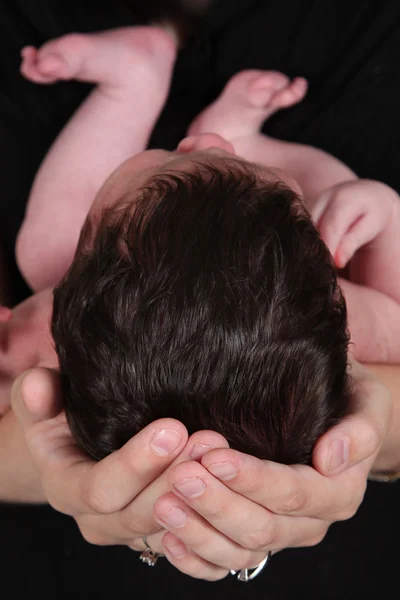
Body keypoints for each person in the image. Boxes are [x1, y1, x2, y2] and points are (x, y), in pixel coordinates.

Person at [1, 0, 400, 597]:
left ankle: (133, 83)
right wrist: (385, 216)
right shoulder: (349, 316)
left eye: (189, 155)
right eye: (232, 157)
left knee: (42, 248)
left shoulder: (42, 327)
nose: (199, 138)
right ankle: (250, 136)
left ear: (72, 298)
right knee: (324, 189)